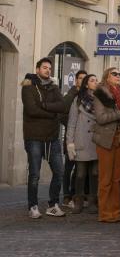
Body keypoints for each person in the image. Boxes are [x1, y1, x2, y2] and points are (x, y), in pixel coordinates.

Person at [21, 57, 68, 218]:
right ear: (37, 69)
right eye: (44, 68)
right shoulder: (28, 87)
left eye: (49, 68)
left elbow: (62, 106)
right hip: (34, 136)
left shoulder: (53, 87)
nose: (48, 70)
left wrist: (45, 106)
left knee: (59, 171)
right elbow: (31, 110)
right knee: (34, 174)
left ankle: (52, 204)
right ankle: (32, 206)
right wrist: (53, 114)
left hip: (52, 137)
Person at [93, 67, 120, 222]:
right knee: (106, 178)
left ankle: (115, 212)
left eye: (119, 74)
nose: (118, 76)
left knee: (117, 179)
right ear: (107, 77)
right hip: (106, 139)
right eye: (114, 74)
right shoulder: (100, 94)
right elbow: (101, 118)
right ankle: (104, 212)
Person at [66, 74, 99, 214]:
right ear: (86, 84)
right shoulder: (78, 100)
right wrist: (70, 143)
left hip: (96, 141)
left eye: (96, 80)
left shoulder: (100, 100)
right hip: (81, 140)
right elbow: (71, 123)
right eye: (92, 80)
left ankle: (92, 201)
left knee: (94, 173)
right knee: (80, 174)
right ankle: (78, 200)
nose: (95, 82)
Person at [62, 69, 87, 209]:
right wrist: (73, 126)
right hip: (71, 137)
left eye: (85, 78)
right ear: (76, 80)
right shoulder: (71, 95)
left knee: (79, 170)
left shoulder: (88, 95)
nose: (83, 80)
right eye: (80, 78)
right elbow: (62, 114)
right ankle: (66, 195)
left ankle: (74, 194)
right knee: (68, 167)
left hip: (83, 139)